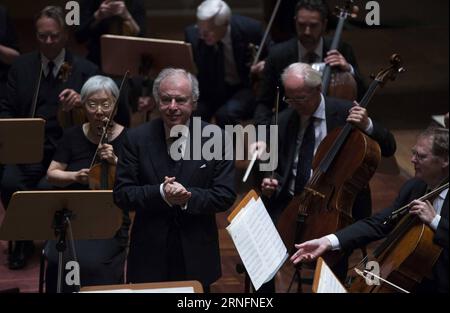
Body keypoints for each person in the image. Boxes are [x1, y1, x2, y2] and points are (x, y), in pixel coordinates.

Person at [258, 63, 396, 291]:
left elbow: (389, 146)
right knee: (261, 249)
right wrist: (270, 180)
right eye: (289, 99)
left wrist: (368, 125)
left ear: (317, 89)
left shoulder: (347, 114)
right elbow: (273, 163)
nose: (294, 105)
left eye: (300, 98)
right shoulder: (284, 120)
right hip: (292, 202)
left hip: (337, 206)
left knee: (333, 250)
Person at [113, 68, 236, 291]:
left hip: (196, 250)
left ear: (194, 103)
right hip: (149, 252)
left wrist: (186, 198)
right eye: (165, 99)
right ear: (156, 101)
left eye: (180, 100)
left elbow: (224, 195)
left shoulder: (216, 137)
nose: (172, 107)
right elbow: (122, 194)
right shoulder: (135, 138)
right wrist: (161, 193)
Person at [0, 6, 100, 270]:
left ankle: (52, 240)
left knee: (48, 187)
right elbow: (6, 108)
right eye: (42, 36)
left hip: (65, 153)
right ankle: (21, 237)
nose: (48, 42)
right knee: (9, 182)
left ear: (65, 35)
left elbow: (104, 112)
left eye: (54, 36)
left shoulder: (84, 70)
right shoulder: (21, 67)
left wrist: (82, 104)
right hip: (27, 149)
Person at [291, 127, 449, 293]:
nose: (412, 160)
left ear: (445, 160)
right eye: (413, 153)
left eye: (421, 156)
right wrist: (328, 241)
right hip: (405, 276)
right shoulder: (415, 187)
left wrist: (435, 221)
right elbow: (380, 223)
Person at [45, 75, 129, 292]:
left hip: (111, 217)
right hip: (74, 216)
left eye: (105, 104)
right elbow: (52, 174)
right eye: (92, 104)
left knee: (95, 263)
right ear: (84, 107)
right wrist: (75, 176)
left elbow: (136, 181)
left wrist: (116, 162)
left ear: (115, 107)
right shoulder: (73, 135)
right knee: (56, 258)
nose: (99, 111)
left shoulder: (129, 138)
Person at [254, 0, 365, 126]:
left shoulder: (341, 49)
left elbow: (361, 93)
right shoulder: (278, 54)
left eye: (313, 26)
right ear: (295, 21)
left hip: (331, 125)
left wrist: (349, 69)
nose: (307, 31)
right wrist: (264, 136)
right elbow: (264, 102)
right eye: (301, 25)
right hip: (290, 125)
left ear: (324, 24)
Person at [185, 0, 271, 128]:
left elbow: (275, 53)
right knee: (193, 113)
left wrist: (265, 63)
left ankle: (228, 148)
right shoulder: (192, 34)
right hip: (209, 89)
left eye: (208, 32)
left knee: (226, 114)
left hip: (244, 87)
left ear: (225, 24)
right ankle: (198, 148)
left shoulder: (250, 29)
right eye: (200, 29)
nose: (202, 36)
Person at [75, 0, 146, 67]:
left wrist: (128, 17)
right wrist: (97, 16)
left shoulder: (135, 3)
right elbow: (79, 37)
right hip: (98, 60)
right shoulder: (91, 2)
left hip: (128, 60)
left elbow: (142, 40)